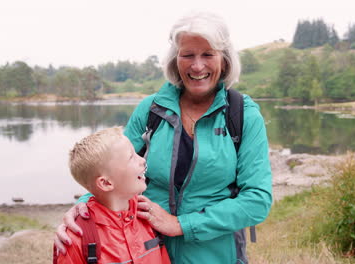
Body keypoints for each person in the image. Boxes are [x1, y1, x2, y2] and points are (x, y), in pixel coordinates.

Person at [55, 12, 272, 264]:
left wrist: (180, 224)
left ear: (224, 60)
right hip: (144, 251)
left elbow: (257, 200)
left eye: (208, 54)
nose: (197, 66)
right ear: (175, 59)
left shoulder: (243, 115)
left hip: (216, 255)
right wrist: (82, 211)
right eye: (188, 55)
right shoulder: (150, 110)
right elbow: (108, 170)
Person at [55, 127, 170, 264]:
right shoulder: (77, 238)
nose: (143, 160)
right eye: (131, 157)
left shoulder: (147, 217)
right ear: (106, 183)